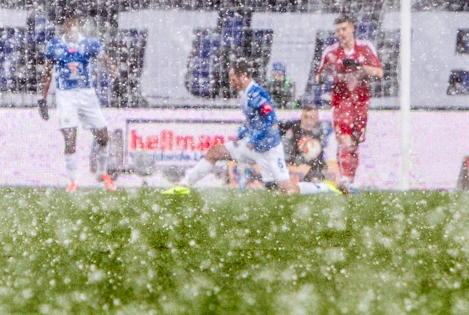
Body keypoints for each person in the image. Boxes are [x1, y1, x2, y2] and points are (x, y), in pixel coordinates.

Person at [164, 59, 339, 195]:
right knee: (215, 152)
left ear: (243, 76)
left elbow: (271, 121)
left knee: (287, 191)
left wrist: (253, 139)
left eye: (233, 79)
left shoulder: (258, 95)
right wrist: (242, 133)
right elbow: (252, 120)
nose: (231, 83)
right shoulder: (245, 94)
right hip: (252, 145)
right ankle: (183, 186)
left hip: (269, 149)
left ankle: (324, 188)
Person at [39, 14, 119, 193]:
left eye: (74, 23)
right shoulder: (54, 45)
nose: (71, 26)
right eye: (68, 23)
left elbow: (105, 60)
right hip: (65, 95)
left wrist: (115, 72)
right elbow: (46, 72)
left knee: (103, 136)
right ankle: (73, 181)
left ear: (79, 25)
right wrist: (43, 99)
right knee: (69, 137)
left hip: (86, 94)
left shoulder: (90, 43)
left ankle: (103, 172)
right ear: (63, 26)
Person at [316, 14, 383, 191]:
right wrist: (330, 70)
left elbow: (379, 73)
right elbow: (319, 78)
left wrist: (360, 67)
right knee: (344, 138)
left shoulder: (365, 48)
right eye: (338, 30)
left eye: (344, 29)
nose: (341, 33)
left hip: (361, 102)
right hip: (341, 101)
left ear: (352, 28)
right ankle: (344, 179)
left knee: (354, 142)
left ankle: (349, 180)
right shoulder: (331, 52)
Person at [278, 102, 333, 182]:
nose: (308, 121)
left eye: (312, 118)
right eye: (305, 117)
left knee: (320, 170)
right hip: (293, 166)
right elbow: (285, 152)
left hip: (311, 167)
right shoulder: (293, 130)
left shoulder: (319, 134)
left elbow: (319, 157)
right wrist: (294, 166)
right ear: (301, 117)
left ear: (317, 119)